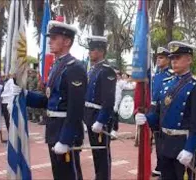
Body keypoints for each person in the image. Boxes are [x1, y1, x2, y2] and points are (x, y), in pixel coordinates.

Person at [9, 20, 87, 180]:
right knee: (59, 175)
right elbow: (48, 100)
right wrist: (25, 94)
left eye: (54, 37)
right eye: (50, 37)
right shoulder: (57, 66)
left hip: (65, 131)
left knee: (69, 175)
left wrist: (66, 139)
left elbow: (76, 108)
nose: (50, 41)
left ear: (67, 41)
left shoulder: (75, 68)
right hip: (54, 129)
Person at [135, 41, 196, 179]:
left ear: (189, 59)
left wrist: (190, 148)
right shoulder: (166, 83)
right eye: (172, 57)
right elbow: (159, 113)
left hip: (183, 142)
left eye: (178, 57)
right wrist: (146, 118)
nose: (174, 61)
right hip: (165, 141)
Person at [84, 35, 116, 180]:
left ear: (101, 51)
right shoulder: (92, 70)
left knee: (102, 152)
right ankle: (99, 176)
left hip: (98, 116)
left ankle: (103, 177)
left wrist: (101, 120)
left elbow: (108, 100)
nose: (90, 53)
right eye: (90, 50)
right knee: (95, 151)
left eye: (93, 50)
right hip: (90, 115)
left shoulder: (107, 71)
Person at [150, 46, 173, 177]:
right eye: (157, 58)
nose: (158, 60)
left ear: (167, 60)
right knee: (157, 139)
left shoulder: (170, 75)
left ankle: (162, 165)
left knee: (163, 140)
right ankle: (159, 164)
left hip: (163, 108)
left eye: (161, 58)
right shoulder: (156, 75)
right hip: (154, 108)